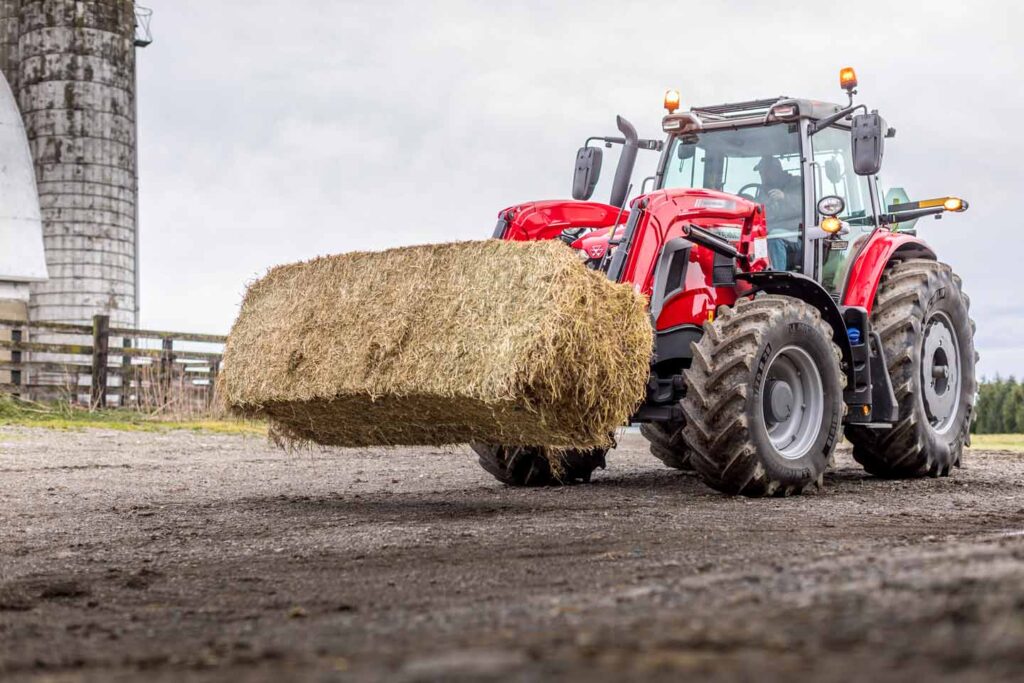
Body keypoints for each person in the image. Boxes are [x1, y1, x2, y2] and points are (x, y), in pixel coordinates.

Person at [754, 155, 802, 271]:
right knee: (755, 239)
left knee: (774, 239)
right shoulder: (764, 190)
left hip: (797, 235)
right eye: (761, 173)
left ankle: (776, 278)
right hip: (770, 231)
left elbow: (804, 205)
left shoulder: (796, 183)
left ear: (776, 171)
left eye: (765, 172)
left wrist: (784, 197)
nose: (763, 176)